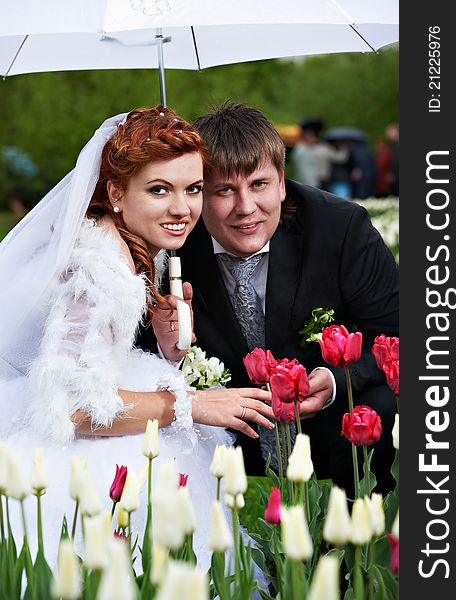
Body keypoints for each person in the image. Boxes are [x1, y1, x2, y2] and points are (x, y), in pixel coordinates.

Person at [0, 105, 274, 568]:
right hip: (77, 469)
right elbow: (72, 404)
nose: (181, 208)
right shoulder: (99, 270)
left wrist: (168, 347)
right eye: (159, 190)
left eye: (192, 189)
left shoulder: (132, 245)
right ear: (116, 192)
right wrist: (192, 405)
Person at [148, 103, 399, 498]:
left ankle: (363, 525)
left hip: (328, 421)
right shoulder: (168, 246)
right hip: (221, 431)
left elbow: (398, 335)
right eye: (224, 190)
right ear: (195, 194)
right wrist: (168, 350)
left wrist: (336, 381)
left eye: (259, 185)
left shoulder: (340, 228)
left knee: (384, 400)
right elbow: (127, 363)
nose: (246, 208)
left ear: (282, 183)